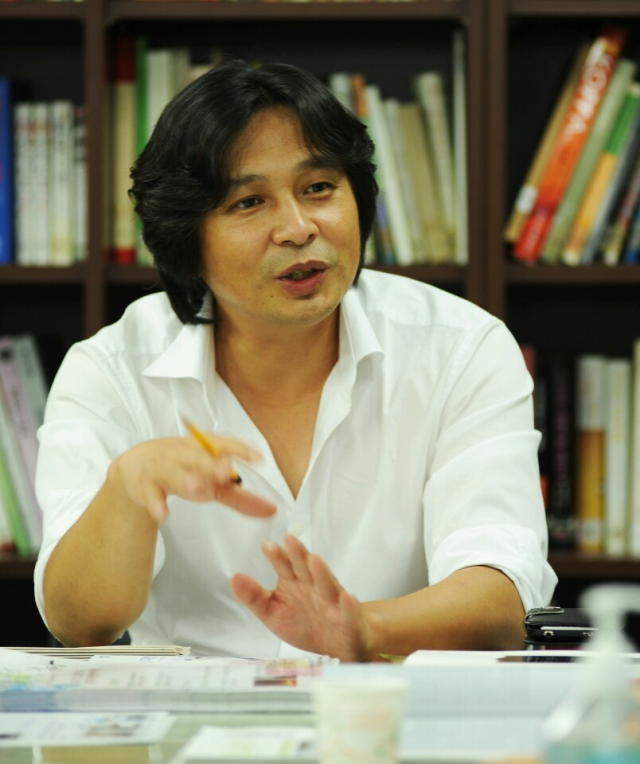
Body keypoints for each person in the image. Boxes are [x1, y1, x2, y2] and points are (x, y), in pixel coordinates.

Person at [34, 59, 556, 660]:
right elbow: (80, 624)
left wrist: (364, 631)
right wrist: (128, 491)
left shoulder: (460, 348)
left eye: (318, 189)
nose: (298, 228)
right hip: (191, 716)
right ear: (187, 241)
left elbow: (503, 595)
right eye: (249, 202)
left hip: (387, 706)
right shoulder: (111, 371)